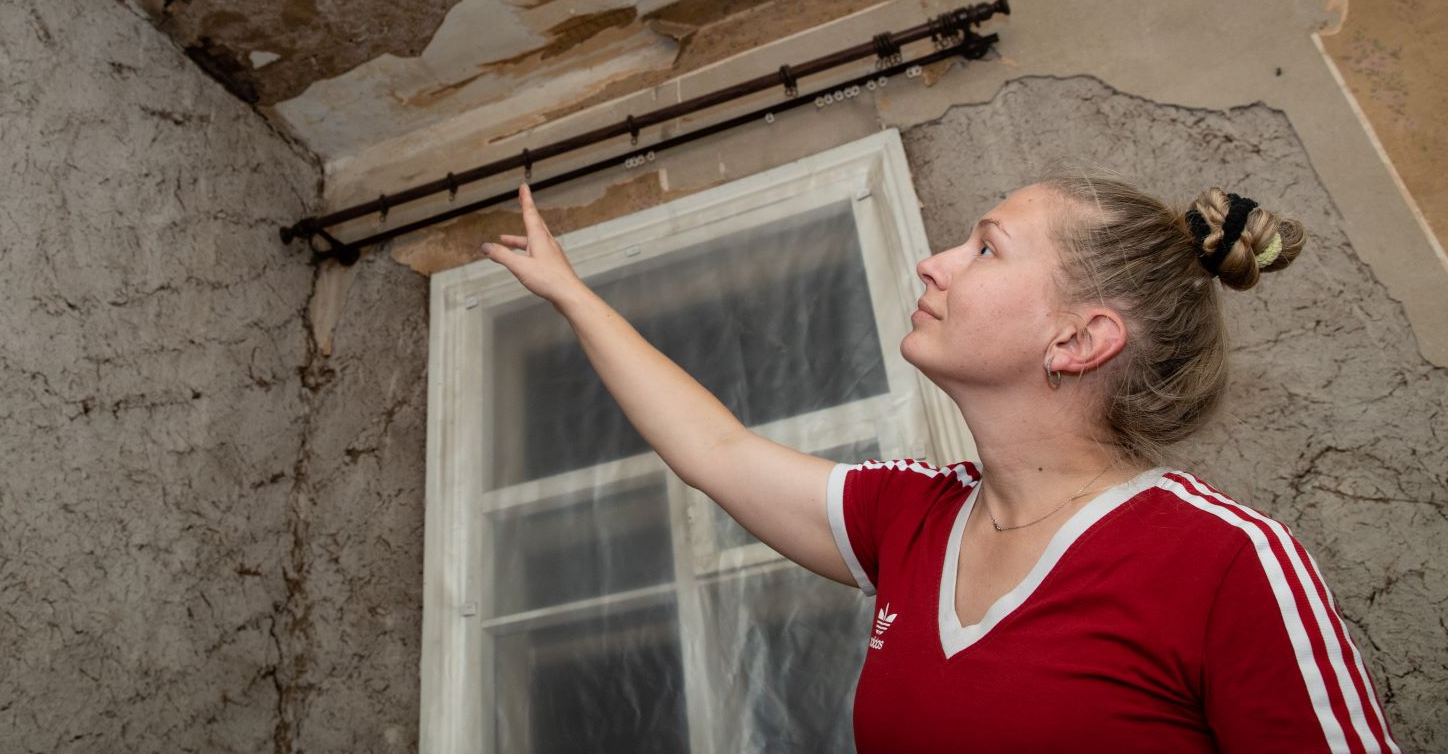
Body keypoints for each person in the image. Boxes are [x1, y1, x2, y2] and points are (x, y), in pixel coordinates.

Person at [480, 174, 1400, 752]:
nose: (932, 263)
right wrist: (570, 295)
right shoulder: (916, 518)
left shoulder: (1227, 562)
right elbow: (716, 451)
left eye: (985, 247)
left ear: (1080, 338)